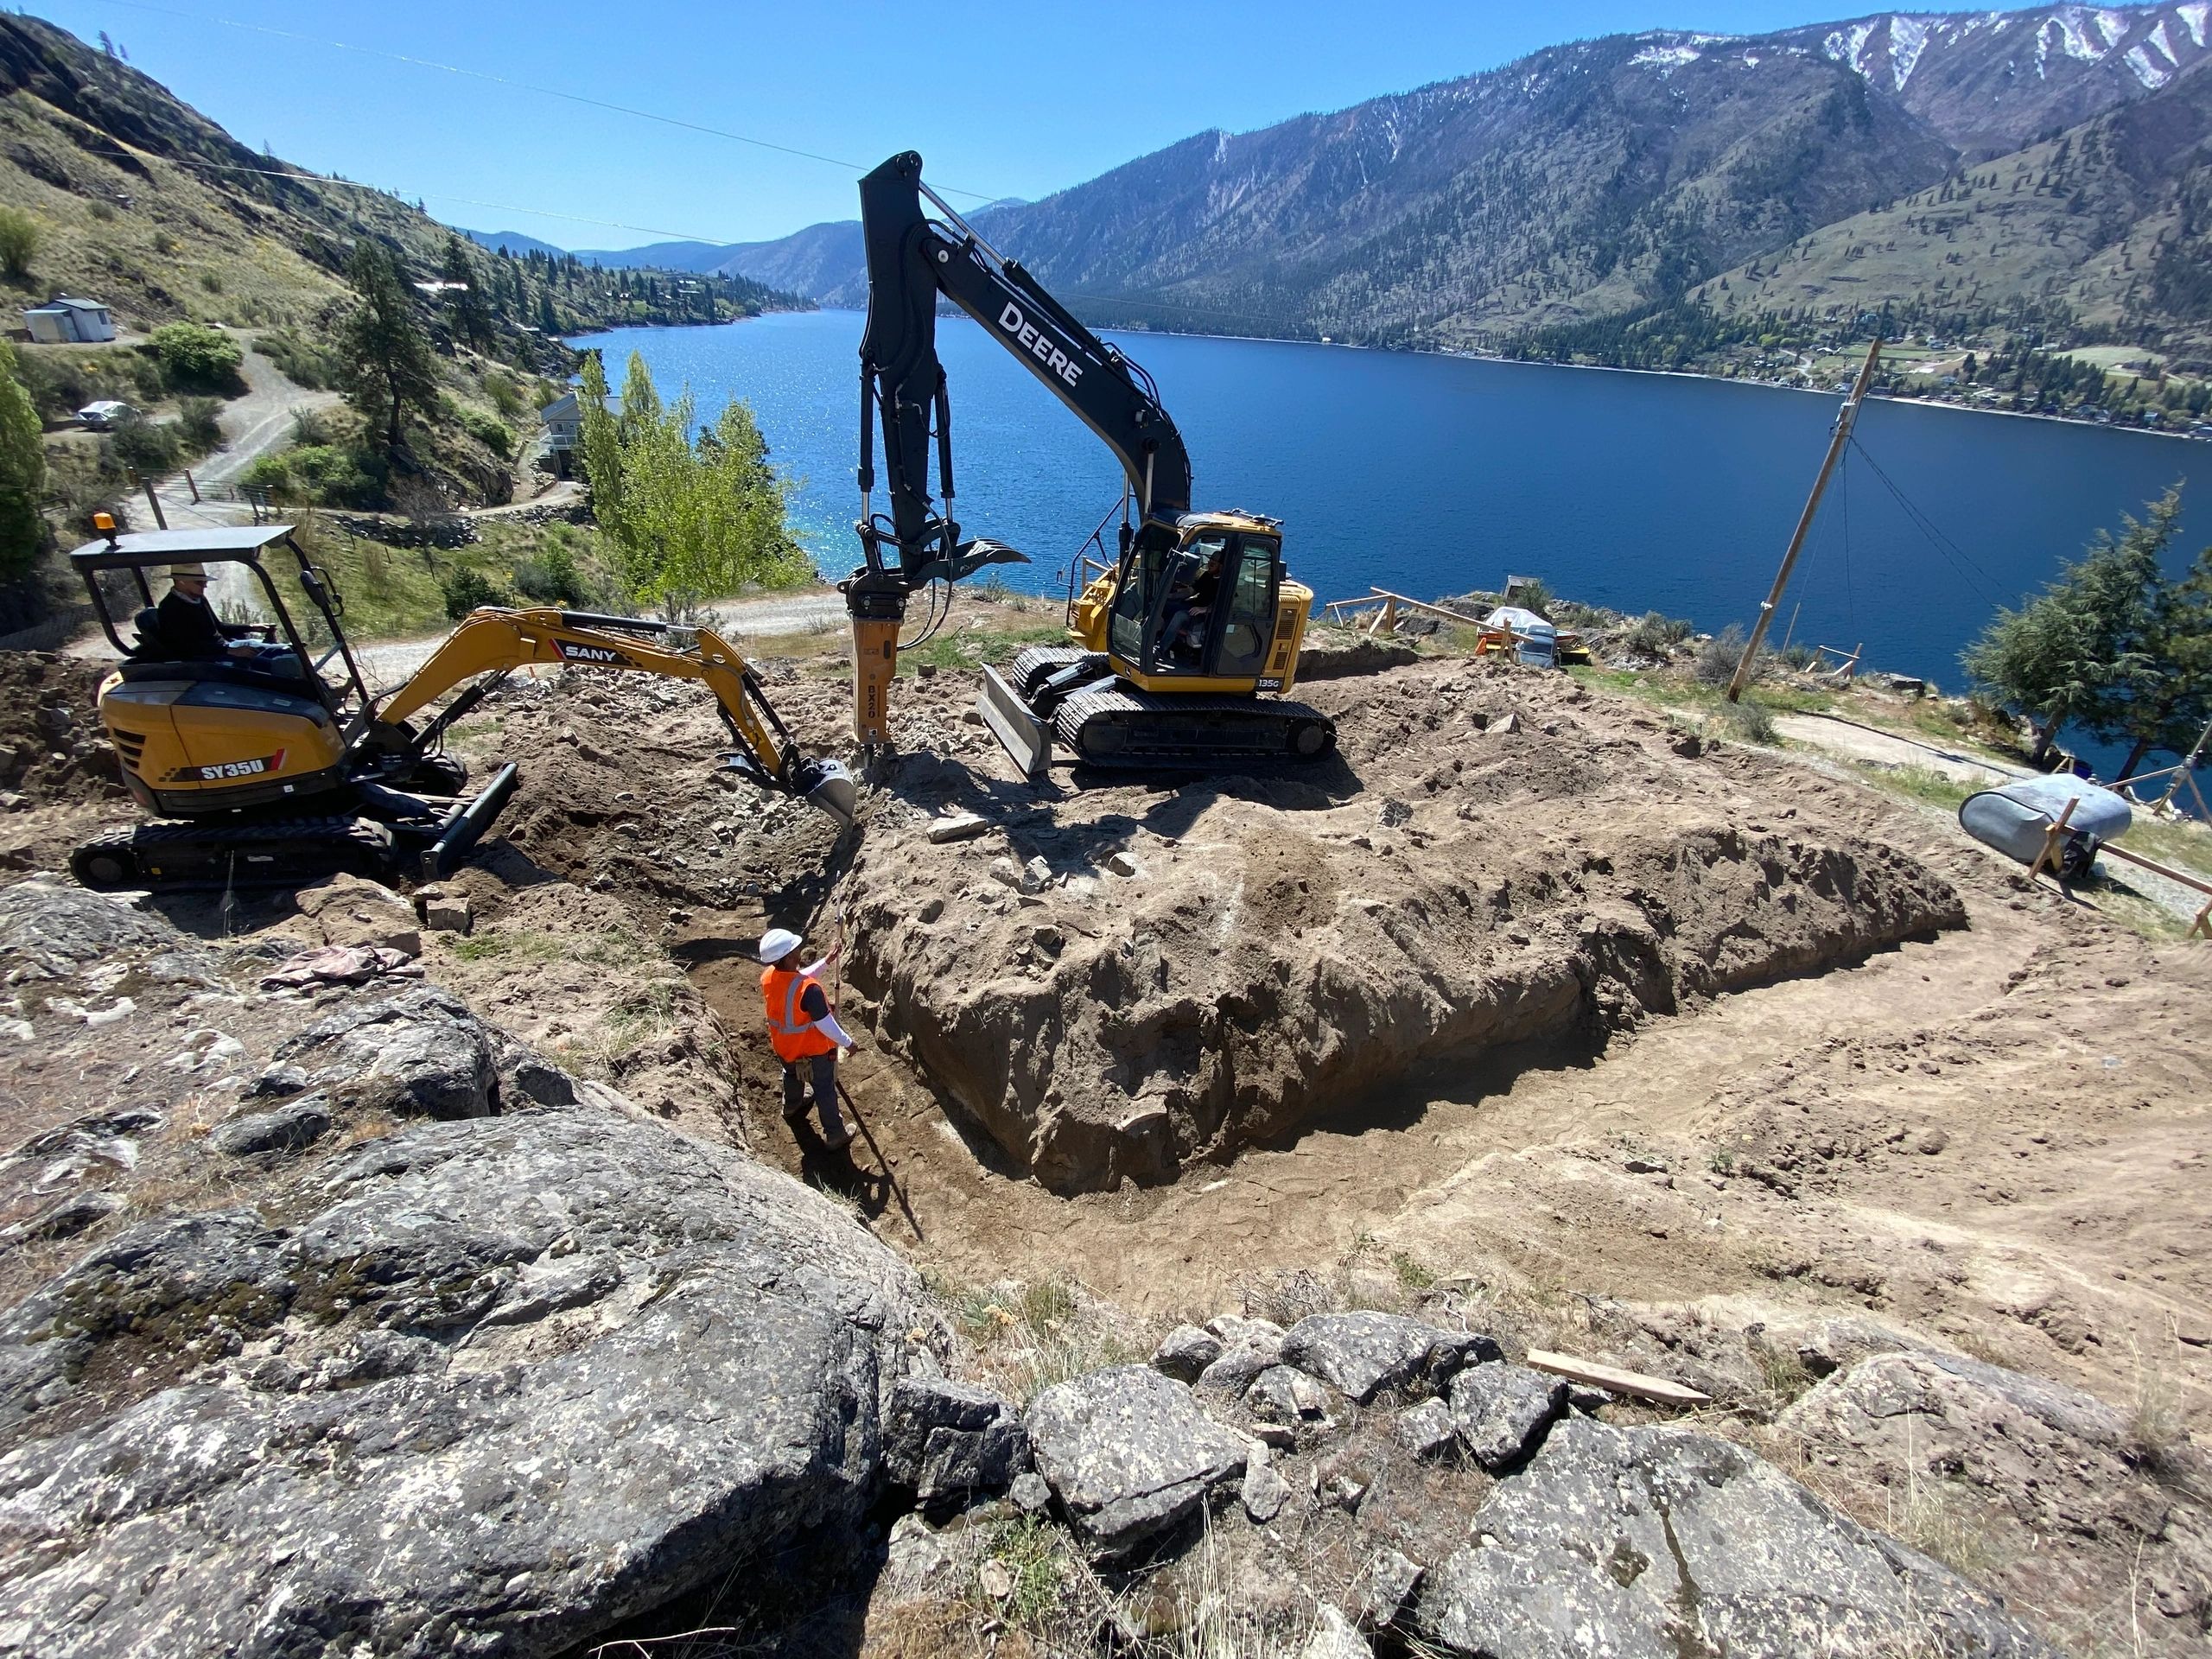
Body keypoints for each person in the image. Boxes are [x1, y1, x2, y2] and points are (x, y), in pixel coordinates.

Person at [758, 926, 855, 1150]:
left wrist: (826, 961)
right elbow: (826, 1024)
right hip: (814, 1052)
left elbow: (796, 980)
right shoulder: (810, 990)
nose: (799, 950)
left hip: (785, 1048)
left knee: (791, 1075)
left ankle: (791, 1106)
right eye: (796, 948)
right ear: (790, 956)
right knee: (824, 1089)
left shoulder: (769, 976)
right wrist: (848, 1043)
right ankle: (835, 1134)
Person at [156, 563, 267, 663]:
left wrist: (252, 627)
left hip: (222, 648)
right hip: (204, 660)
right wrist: (229, 651)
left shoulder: (199, 599)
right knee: (268, 665)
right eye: (199, 582)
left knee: (272, 651)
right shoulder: (170, 607)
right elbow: (184, 646)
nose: (205, 586)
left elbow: (218, 627)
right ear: (181, 582)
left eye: (205, 582)